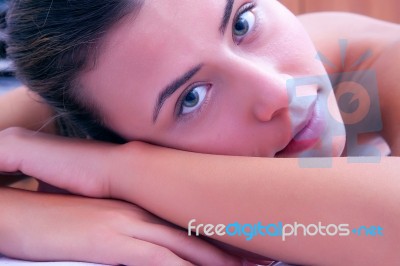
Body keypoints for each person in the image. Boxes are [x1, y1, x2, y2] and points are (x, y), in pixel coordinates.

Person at [1, 0, 400, 265]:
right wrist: (19, 221)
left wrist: (117, 171)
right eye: (191, 98)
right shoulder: (92, 97)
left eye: (242, 23)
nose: (278, 92)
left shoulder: (357, 58)